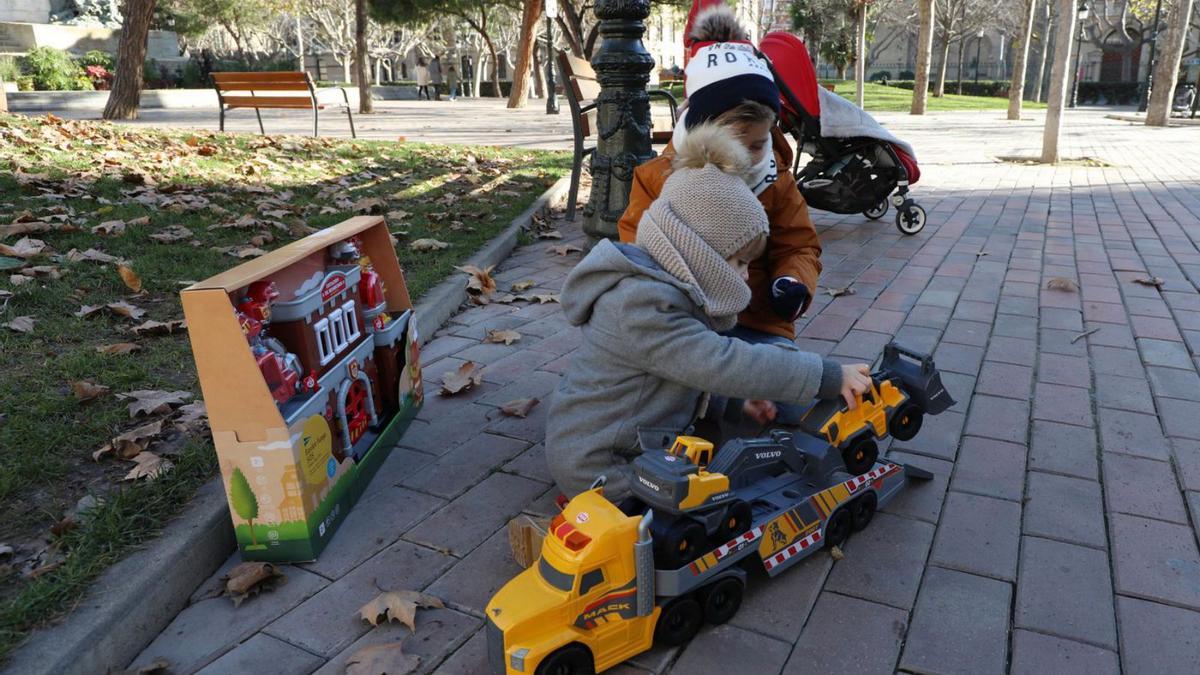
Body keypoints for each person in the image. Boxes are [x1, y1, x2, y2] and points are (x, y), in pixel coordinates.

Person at [546, 123, 871, 501]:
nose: (746, 276)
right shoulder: (641, 304)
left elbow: (678, 376)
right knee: (722, 501)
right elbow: (720, 362)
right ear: (695, 250)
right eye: (738, 262)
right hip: (603, 468)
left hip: (630, 443)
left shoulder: (665, 287)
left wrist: (734, 400)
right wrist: (827, 376)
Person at [617, 6, 823, 425]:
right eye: (739, 143)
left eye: (761, 142)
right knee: (670, 392)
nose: (753, 156)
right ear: (701, 134)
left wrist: (793, 281)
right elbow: (636, 251)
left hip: (758, 324)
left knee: (787, 396)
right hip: (687, 328)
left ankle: (736, 402)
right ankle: (720, 403)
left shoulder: (776, 181)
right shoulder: (658, 179)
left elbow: (799, 243)